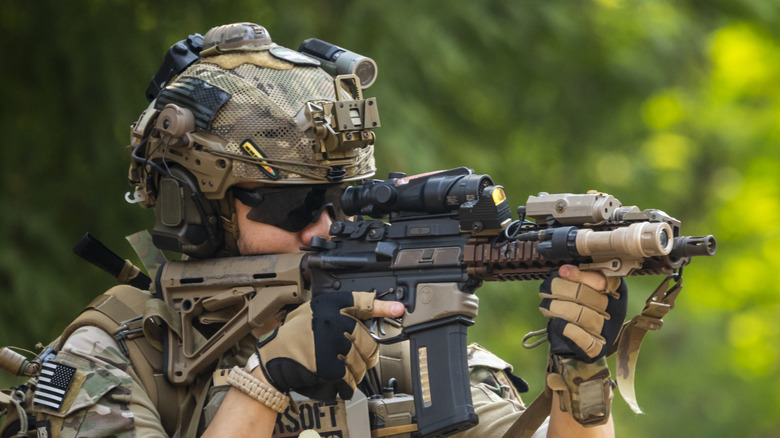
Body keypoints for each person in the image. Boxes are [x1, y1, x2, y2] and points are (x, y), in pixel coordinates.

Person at [0, 23, 626, 438]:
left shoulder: (389, 331)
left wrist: (581, 373)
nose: (324, 229)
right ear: (191, 208)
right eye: (293, 206)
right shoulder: (116, 356)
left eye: (340, 201)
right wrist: (263, 386)